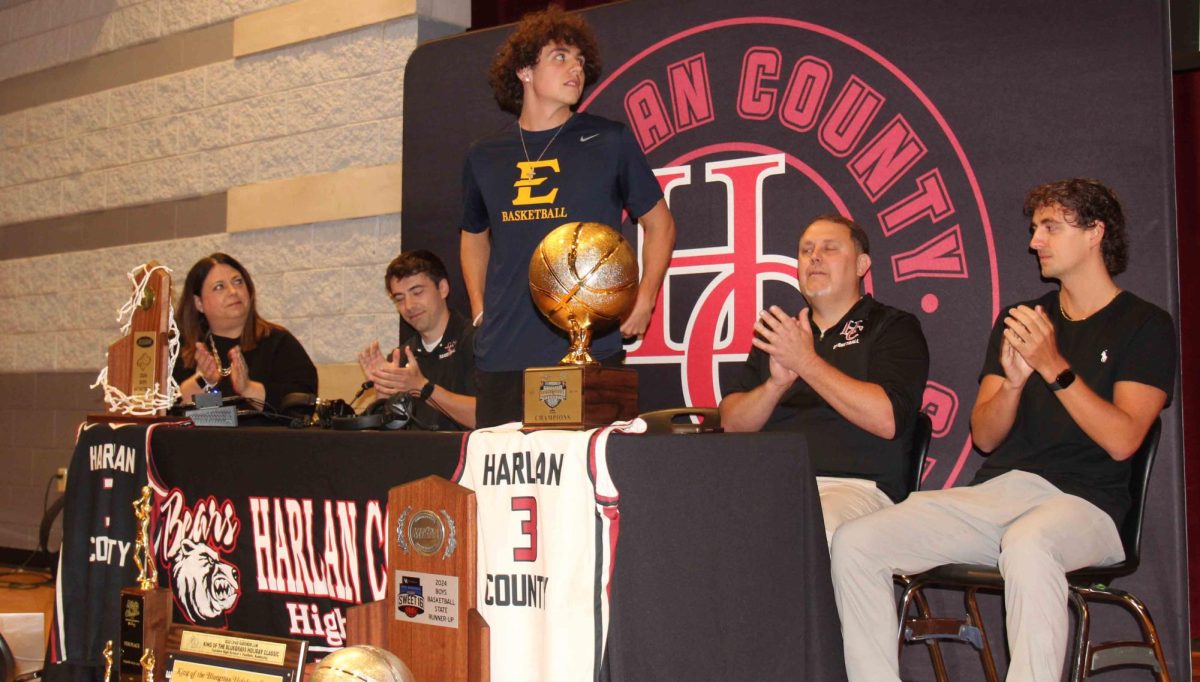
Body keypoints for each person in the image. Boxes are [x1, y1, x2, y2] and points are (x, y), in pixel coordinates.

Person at [830, 179, 1177, 681]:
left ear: (1095, 233)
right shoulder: (1021, 319)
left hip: (1091, 506)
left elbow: (1124, 439)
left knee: (1030, 541)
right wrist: (1014, 385)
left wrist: (1055, 368)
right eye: (1035, 228)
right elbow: (986, 437)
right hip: (1003, 494)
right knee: (856, 541)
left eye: (1051, 228)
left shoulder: (1146, 324)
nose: (1035, 241)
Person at [460, 5, 677, 427]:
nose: (574, 68)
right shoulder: (483, 155)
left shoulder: (609, 140)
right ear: (524, 70)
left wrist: (645, 299)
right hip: (503, 350)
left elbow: (660, 223)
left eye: (580, 61)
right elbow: (472, 235)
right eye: (560, 56)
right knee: (502, 484)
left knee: (587, 486)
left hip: (592, 347)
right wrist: (480, 310)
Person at [719, 215, 929, 545]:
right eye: (806, 250)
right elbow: (731, 424)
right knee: (701, 523)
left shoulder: (892, 327)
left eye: (830, 248)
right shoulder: (781, 335)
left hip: (856, 490)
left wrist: (807, 363)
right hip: (772, 486)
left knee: (803, 530)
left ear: (862, 264)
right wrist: (775, 386)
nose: (815, 256)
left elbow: (887, 419)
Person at [174, 253, 317, 410]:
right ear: (199, 302)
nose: (233, 291)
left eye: (238, 282)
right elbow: (167, 410)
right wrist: (202, 381)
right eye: (219, 287)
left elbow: (303, 402)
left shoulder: (277, 342)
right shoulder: (182, 351)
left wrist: (248, 389)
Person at [358, 250, 476, 430]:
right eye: (399, 298)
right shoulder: (401, 357)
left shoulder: (477, 341)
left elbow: (490, 417)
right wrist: (383, 393)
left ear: (443, 288)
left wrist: (423, 388)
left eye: (417, 292)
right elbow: (382, 441)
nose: (409, 306)